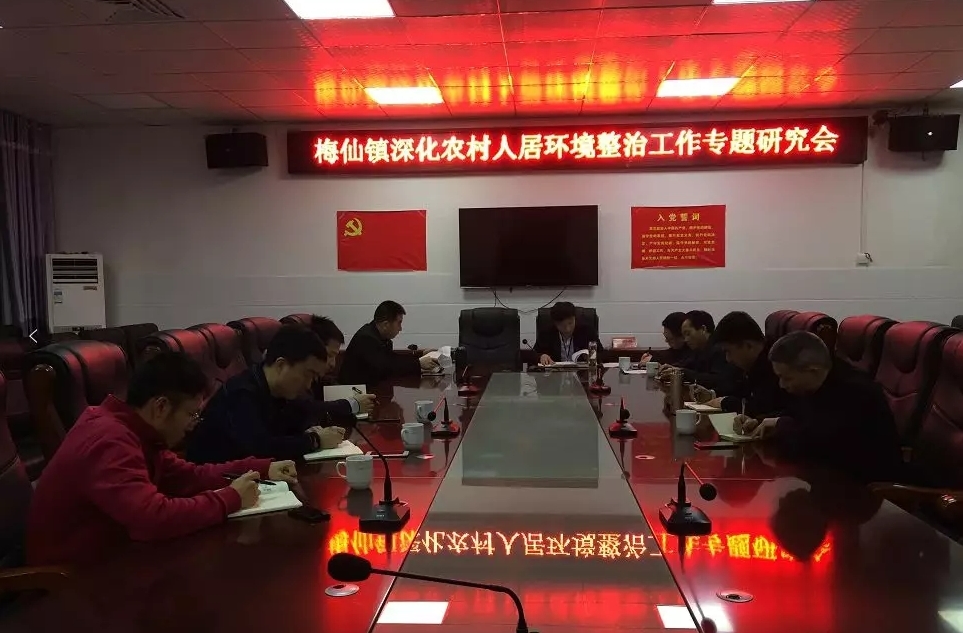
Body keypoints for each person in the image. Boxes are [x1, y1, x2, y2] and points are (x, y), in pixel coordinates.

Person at [26, 352, 298, 566]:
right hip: (70, 583)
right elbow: (151, 519)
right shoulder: (109, 440)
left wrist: (261, 467)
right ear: (161, 407)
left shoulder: (136, 431)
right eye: (191, 414)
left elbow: (188, 477)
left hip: (114, 560)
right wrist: (230, 498)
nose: (193, 424)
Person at [735, 331, 904, 484]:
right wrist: (760, 422)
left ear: (813, 371)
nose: (782, 385)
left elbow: (819, 440)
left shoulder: (856, 392)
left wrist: (780, 424)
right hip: (828, 478)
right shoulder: (816, 384)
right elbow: (796, 414)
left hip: (866, 488)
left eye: (786, 378)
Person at [185, 325, 348, 464]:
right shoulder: (241, 393)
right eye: (307, 375)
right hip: (214, 482)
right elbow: (259, 449)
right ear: (281, 365)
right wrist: (315, 440)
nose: (307, 385)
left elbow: (302, 413)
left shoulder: (278, 390)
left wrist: (311, 429)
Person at [702, 311, 789, 417]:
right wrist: (712, 394)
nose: (728, 359)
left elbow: (759, 409)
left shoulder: (775, 367)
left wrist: (725, 402)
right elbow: (736, 389)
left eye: (728, 351)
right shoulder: (750, 366)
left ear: (748, 346)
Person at [338, 301, 438, 385]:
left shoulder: (381, 338)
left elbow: (392, 359)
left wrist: (420, 356)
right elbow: (386, 367)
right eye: (399, 323)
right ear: (385, 324)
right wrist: (418, 363)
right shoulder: (366, 339)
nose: (400, 328)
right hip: (354, 393)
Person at [307, 314, 376, 414]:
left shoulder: (317, 378)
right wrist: (352, 405)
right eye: (329, 355)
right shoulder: (299, 377)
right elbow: (308, 408)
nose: (333, 364)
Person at [658, 310, 740, 394]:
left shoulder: (720, 348)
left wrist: (682, 372)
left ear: (703, 329)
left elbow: (718, 380)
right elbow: (687, 365)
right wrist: (671, 368)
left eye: (688, 334)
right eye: (684, 335)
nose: (685, 340)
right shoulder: (699, 349)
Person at [533, 301, 603, 365]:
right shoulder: (546, 333)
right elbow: (532, 355)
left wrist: (592, 356)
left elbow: (603, 354)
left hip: (581, 373)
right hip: (554, 373)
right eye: (562, 325)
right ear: (555, 323)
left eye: (570, 323)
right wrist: (540, 356)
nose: (567, 329)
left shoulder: (587, 331)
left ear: (575, 318)